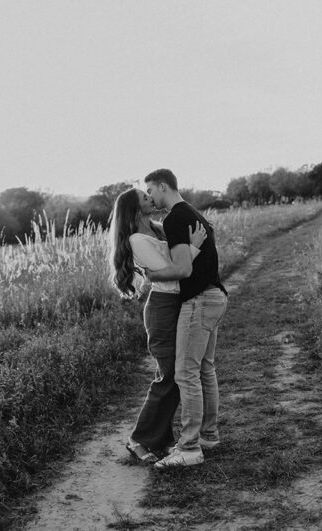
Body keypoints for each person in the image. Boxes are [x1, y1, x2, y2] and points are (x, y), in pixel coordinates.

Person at [109, 187, 207, 464]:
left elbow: (174, 263)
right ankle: (137, 439)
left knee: (175, 376)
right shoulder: (137, 240)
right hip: (163, 307)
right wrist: (194, 248)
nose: (150, 199)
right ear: (134, 209)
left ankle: (162, 439)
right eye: (144, 197)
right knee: (170, 376)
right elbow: (172, 270)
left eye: (149, 195)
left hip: (176, 303)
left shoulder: (157, 228)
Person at [143, 168, 228, 469]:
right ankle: (209, 436)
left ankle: (189, 447)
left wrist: (151, 274)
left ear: (162, 186)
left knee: (186, 373)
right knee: (205, 369)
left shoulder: (175, 217)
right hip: (215, 296)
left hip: (199, 301)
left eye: (150, 191)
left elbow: (182, 269)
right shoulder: (191, 213)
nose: (149, 197)